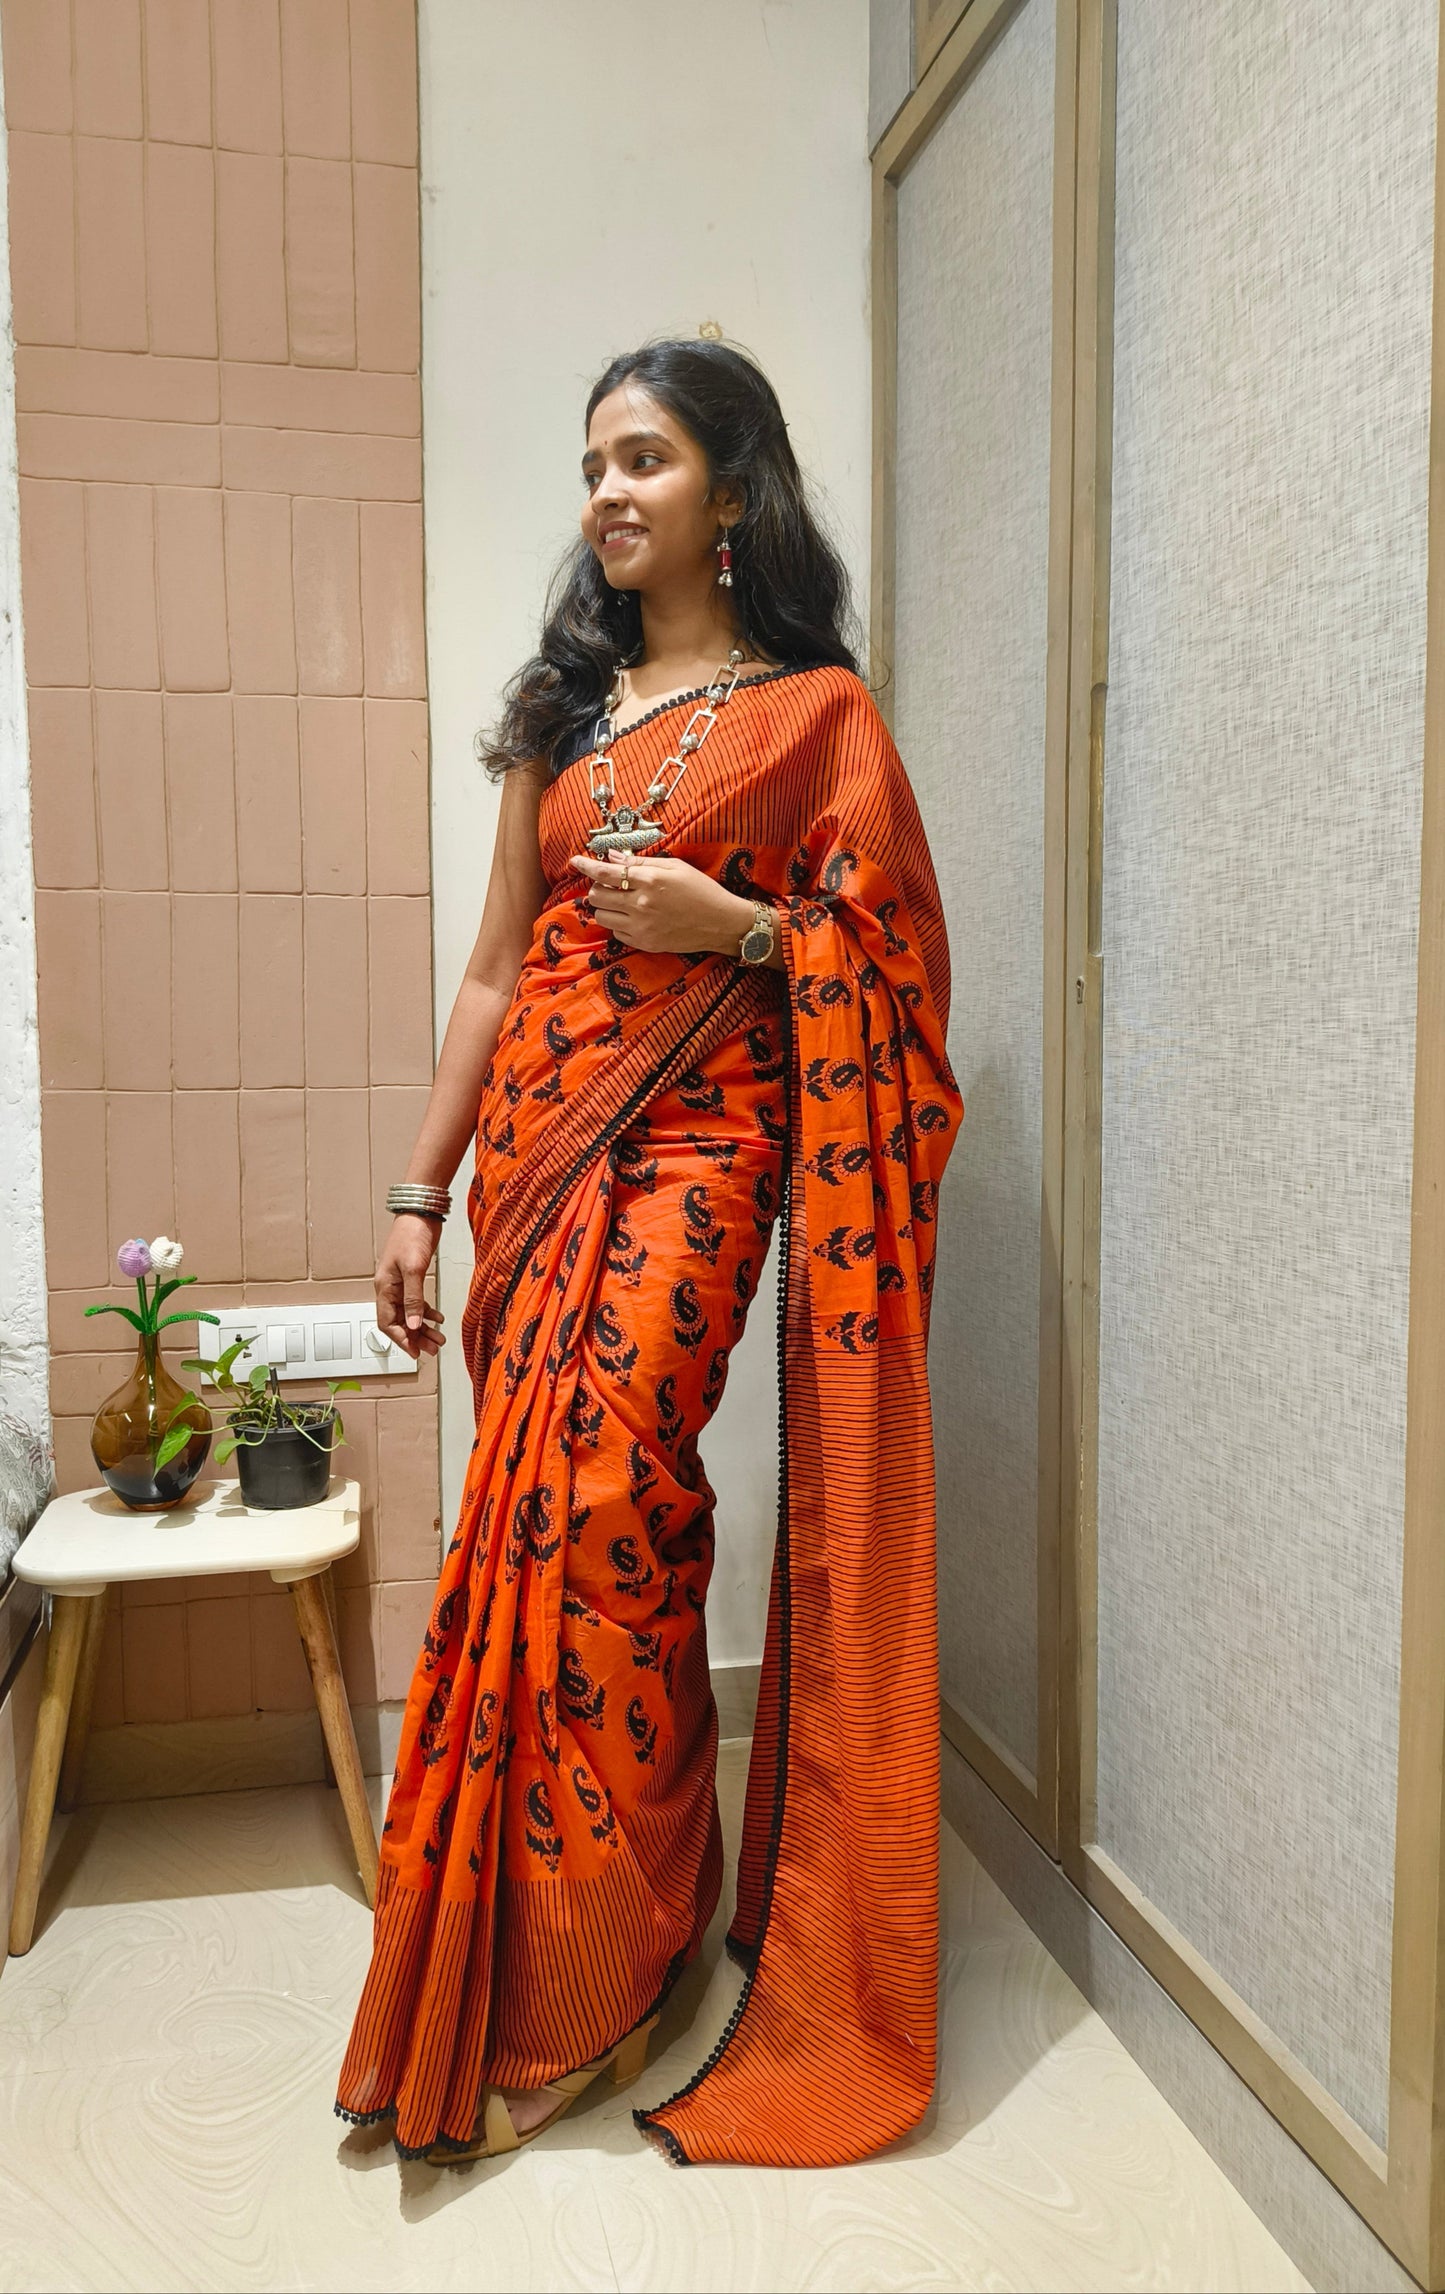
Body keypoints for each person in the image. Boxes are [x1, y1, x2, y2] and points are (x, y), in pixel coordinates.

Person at [333, 337, 963, 2169]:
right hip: (534, 1159)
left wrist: (741, 926)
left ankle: (622, 1957)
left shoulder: (817, 718)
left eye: (643, 459)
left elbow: (897, 975)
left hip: (699, 1152)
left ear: (732, 493)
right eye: (591, 463)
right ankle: (509, 1946)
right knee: (518, 1540)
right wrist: (418, 1189)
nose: (606, 492)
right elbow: (493, 968)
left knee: (609, 1504)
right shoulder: (557, 713)